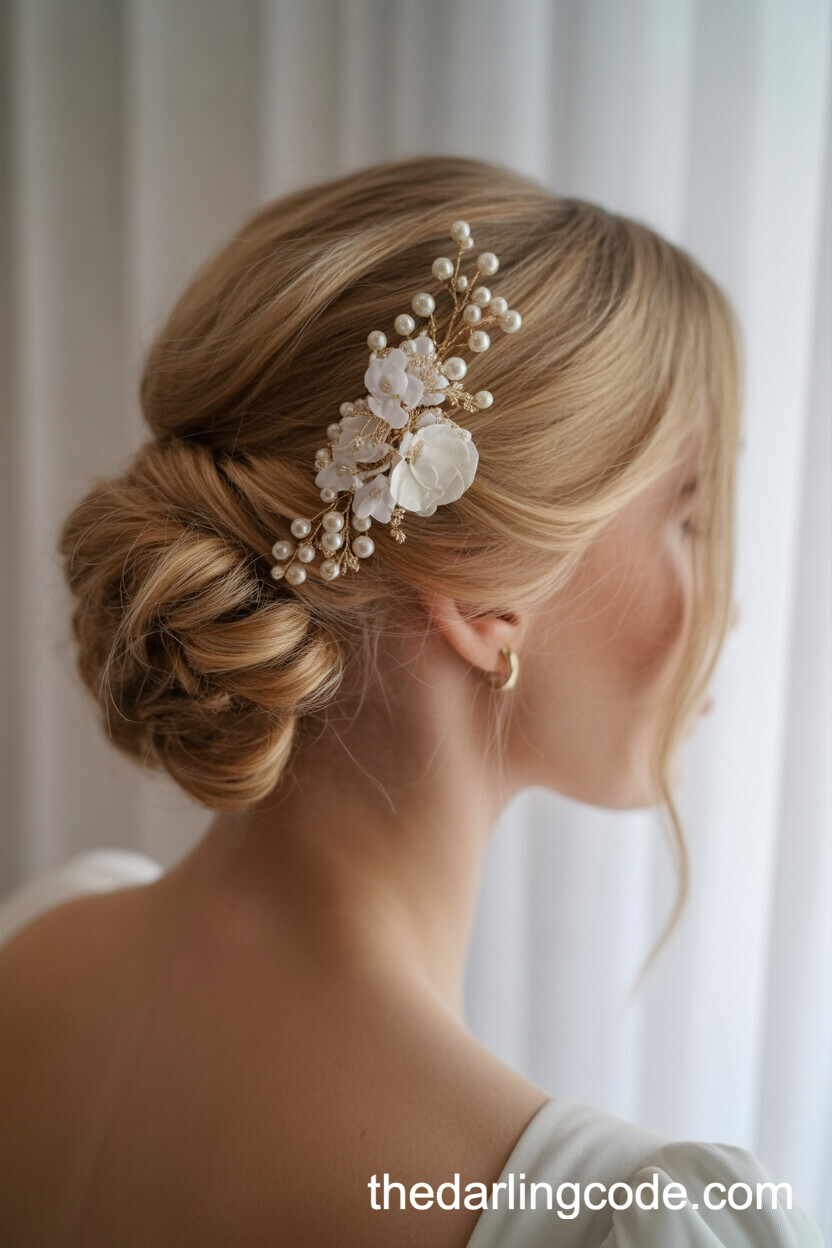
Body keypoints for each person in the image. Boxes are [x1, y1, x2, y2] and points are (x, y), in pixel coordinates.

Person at [0, 157, 821, 1246]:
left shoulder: (34, 944)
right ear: (484, 592)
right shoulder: (612, 1227)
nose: (725, 609)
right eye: (690, 521)